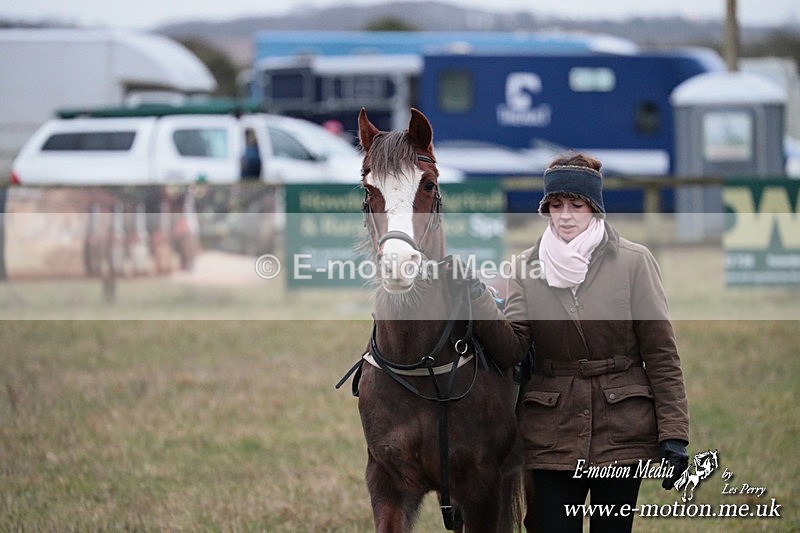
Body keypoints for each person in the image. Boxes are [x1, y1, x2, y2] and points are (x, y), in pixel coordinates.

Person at [464, 153, 690, 532]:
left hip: (622, 428)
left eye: (576, 204)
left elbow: (661, 355)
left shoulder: (635, 262)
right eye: (555, 205)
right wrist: (479, 303)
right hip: (551, 430)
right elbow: (513, 349)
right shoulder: (525, 266)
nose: (565, 216)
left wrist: (674, 435)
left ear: (594, 208)